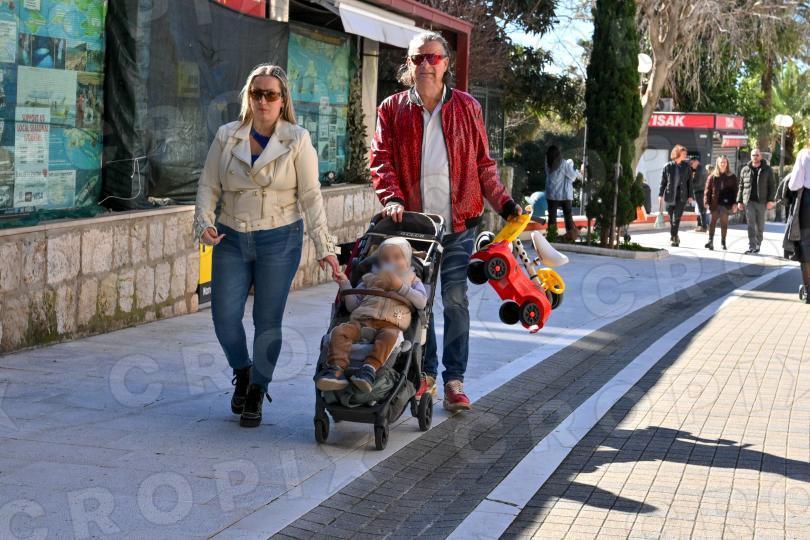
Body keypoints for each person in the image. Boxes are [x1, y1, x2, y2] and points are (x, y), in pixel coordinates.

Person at [370, 31, 519, 412]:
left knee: (454, 298)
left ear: (446, 64)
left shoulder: (467, 107)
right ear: (409, 64)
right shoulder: (392, 108)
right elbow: (380, 158)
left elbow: (484, 164)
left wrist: (504, 203)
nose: (425, 65)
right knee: (420, 303)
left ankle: (454, 379)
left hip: (458, 225)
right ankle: (426, 376)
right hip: (414, 229)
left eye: (433, 58)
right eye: (417, 58)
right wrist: (392, 198)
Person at [195, 64, 341, 427]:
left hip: (279, 238)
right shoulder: (227, 136)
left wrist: (324, 246)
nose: (263, 100)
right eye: (256, 93)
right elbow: (208, 186)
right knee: (224, 316)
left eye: (270, 94)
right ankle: (243, 370)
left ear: (282, 99)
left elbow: (311, 196)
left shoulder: (297, 139)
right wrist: (205, 223)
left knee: (267, 319)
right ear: (248, 96)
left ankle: (257, 389)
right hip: (230, 236)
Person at [316, 237, 428, 392]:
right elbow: (353, 306)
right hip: (362, 323)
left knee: (391, 336)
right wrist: (345, 284)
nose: (391, 261)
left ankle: (369, 369)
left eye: (397, 257)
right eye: (385, 258)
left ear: (408, 262)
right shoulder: (369, 279)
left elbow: (421, 302)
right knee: (339, 331)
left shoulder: (412, 280)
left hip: (390, 324)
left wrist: (400, 287)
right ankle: (336, 369)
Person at [737, 148, 777, 254]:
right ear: (751, 156)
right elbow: (741, 186)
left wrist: (770, 200)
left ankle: (758, 243)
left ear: (761, 156)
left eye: (757, 155)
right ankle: (752, 246)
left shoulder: (767, 169)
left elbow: (772, 186)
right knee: (751, 224)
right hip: (748, 201)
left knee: (760, 225)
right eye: (753, 155)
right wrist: (739, 201)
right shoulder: (745, 169)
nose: (755, 157)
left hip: (762, 201)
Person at [787, 141, 810, 303]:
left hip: (808, 203)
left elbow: (794, 184)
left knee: (805, 246)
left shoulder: (804, 154)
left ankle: (808, 290)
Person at [658, 145, 694, 247]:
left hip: (682, 195)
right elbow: (663, 182)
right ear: (677, 153)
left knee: (676, 217)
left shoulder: (686, 166)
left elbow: (690, 182)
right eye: (684, 154)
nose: (685, 155)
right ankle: (675, 235)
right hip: (670, 195)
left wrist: (690, 196)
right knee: (671, 218)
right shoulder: (668, 166)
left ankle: (673, 237)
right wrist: (660, 195)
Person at [545, 145, 581, 241]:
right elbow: (573, 176)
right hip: (565, 195)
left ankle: (551, 237)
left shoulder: (547, 163)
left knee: (552, 218)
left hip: (551, 195)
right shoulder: (563, 163)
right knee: (568, 217)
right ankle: (570, 238)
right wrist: (575, 171)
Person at [703, 156, 738, 251]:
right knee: (712, 222)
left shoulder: (732, 176)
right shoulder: (712, 176)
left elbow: (736, 191)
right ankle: (710, 241)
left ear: (727, 164)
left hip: (726, 204)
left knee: (724, 223)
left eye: (724, 162)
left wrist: (735, 203)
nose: (723, 164)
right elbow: (707, 190)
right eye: (721, 162)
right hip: (714, 202)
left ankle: (723, 242)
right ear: (717, 164)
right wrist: (706, 202)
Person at [690, 156, 709, 232]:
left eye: (692, 163)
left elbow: (698, 183)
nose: (691, 165)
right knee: (702, 209)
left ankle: (703, 226)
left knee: (702, 209)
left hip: (700, 192)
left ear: (696, 161)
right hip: (701, 191)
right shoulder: (699, 169)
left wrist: (690, 185)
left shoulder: (700, 170)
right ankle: (703, 225)